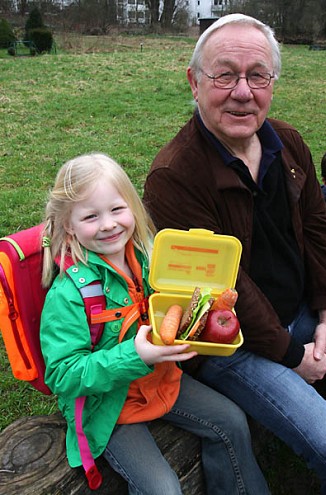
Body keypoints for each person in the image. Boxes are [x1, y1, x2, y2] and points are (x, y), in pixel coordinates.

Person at [143, 13, 326, 494]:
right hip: (234, 344)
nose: (242, 91)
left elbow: (316, 226)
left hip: (303, 315)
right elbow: (226, 290)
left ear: (273, 83)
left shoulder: (285, 141)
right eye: (224, 74)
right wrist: (294, 356)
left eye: (257, 75)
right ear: (194, 80)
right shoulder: (175, 175)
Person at [39, 152, 269, 495]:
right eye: (91, 216)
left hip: (160, 382)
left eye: (117, 210)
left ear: (132, 207)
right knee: (163, 488)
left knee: (231, 422)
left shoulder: (149, 259)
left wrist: (201, 304)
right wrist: (135, 355)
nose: (108, 224)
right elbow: (62, 375)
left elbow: (173, 304)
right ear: (69, 225)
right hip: (108, 407)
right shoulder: (69, 294)